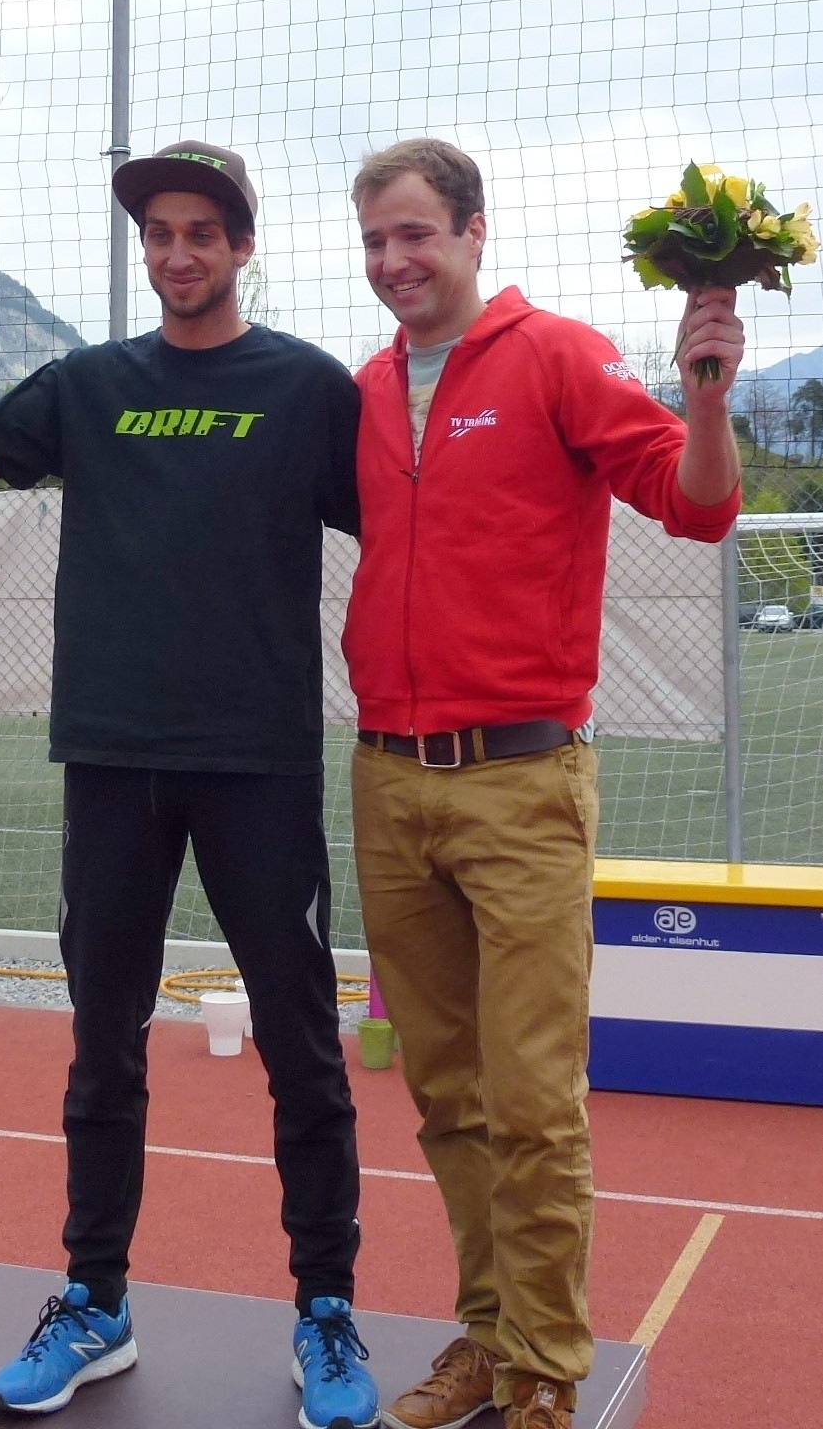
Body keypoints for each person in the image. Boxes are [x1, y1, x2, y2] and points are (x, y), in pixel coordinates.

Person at [0, 141, 379, 1429]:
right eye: (159, 234)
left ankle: (326, 1314)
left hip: (259, 770)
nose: (177, 253)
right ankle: (95, 1303)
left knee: (302, 1048)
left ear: (242, 248)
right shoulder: (88, 386)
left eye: (201, 233)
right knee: (101, 1050)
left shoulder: (305, 389)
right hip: (114, 766)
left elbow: (406, 529)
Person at [340, 138, 743, 1429]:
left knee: (530, 1101)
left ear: (471, 233)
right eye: (373, 242)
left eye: (414, 235)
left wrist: (707, 396)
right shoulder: (357, 392)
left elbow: (697, 509)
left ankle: (544, 1376)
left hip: (521, 786)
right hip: (385, 784)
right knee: (446, 1098)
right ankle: (484, 1334)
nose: (394, 262)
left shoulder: (557, 357)